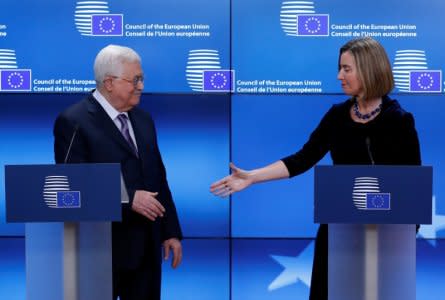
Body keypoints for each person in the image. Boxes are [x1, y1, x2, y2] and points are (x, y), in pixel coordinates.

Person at [210, 37, 421, 300]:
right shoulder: (337, 116)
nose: (339, 76)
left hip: (383, 239)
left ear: (369, 69)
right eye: (339, 68)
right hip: (338, 235)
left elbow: (412, 193)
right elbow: (302, 158)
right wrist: (252, 177)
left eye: (347, 69)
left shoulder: (398, 121)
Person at [54, 44, 183, 300]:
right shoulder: (74, 120)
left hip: (146, 247)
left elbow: (159, 176)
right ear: (109, 82)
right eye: (135, 80)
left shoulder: (144, 120)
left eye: (142, 79)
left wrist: (170, 231)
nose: (141, 86)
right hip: (99, 249)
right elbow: (70, 185)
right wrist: (128, 198)